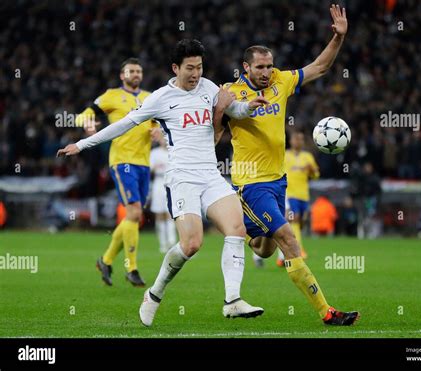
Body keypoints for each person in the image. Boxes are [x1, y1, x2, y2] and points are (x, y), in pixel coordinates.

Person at [57, 39, 270, 325]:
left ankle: (232, 300)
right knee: (192, 244)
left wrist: (249, 107)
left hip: (211, 175)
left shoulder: (209, 88)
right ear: (175, 68)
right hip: (182, 179)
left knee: (236, 228)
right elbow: (124, 124)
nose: (196, 74)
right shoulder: (160, 98)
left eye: (200, 67)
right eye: (190, 68)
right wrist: (82, 145)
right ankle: (155, 293)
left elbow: (235, 110)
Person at [217, 4, 359, 325]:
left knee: (265, 249)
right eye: (260, 67)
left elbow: (320, 68)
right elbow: (216, 126)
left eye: (270, 66)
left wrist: (338, 38)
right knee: (288, 238)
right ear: (245, 68)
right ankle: (327, 312)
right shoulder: (230, 93)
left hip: (277, 180)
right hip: (251, 184)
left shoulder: (281, 81)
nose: (267, 72)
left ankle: (244, 234)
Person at [74, 58, 160, 287]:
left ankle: (106, 260)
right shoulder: (111, 95)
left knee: (134, 216)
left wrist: (157, 130)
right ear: (122, 75)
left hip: (144, 162)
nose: (136, 74)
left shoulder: (150, 97)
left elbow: (157, 124)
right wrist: (88, 124)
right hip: (122, 161)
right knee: (133, 213)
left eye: (139, 71)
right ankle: (131, 268)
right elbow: (84, 114)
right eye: (131, 71)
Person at [275, 130, 319, 267]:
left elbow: (316, 175)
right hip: (290, 193)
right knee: (295, 218)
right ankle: (298, 250)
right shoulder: (285, 155)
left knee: (302, 222)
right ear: (291, 141)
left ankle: (284, 252)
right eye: (296, 139)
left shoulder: (308, 157)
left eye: (300, 139)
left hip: (304, 194)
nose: (298, 141)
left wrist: (312, 170)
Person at [149, 131, 176, 253]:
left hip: (171, 183)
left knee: (170, 213)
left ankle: (172, 242)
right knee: (159, 214)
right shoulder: (154, 153)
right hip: (159, 183)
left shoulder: (174, 152)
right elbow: (150, 169)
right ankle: (163, 243)